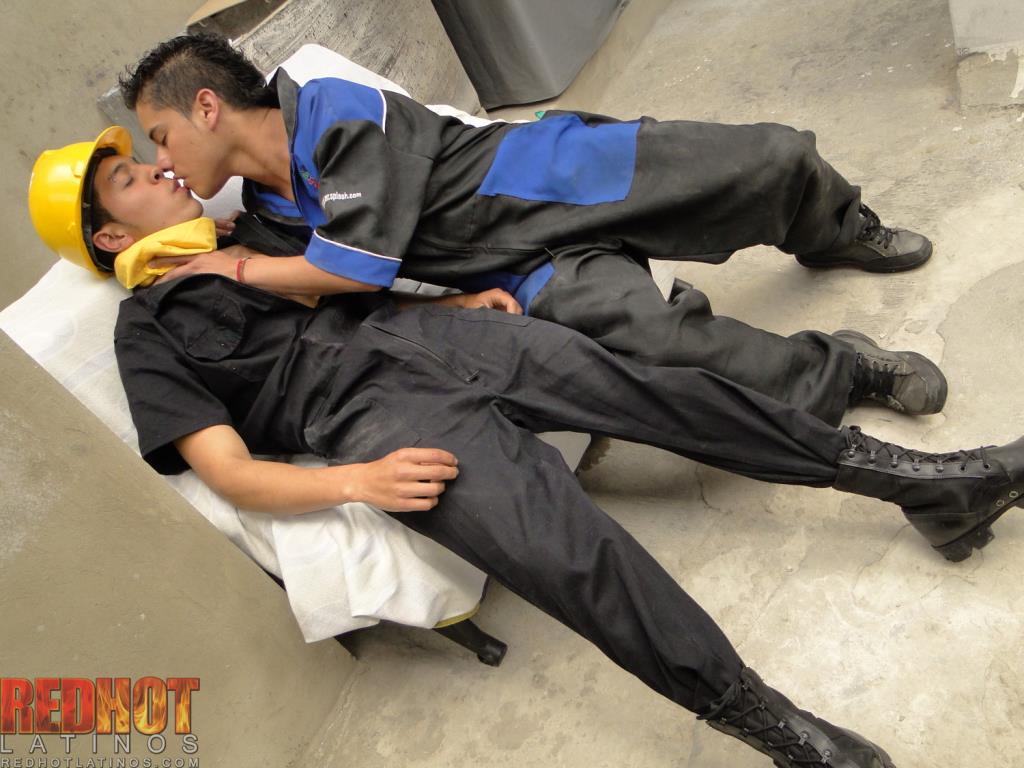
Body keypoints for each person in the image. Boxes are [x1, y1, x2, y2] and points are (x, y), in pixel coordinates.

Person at [28, 128, 1024, 768]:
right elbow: (227, 471)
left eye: (148, 155)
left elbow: (359, 289)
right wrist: (360, 482)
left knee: (666, 396)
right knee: (570, 556)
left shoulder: (254, 239)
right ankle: (774, 727)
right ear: (110, 240)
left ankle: (922, 483)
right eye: (132, 178)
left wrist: (456, 304)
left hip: (453, 343)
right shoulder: (147, 331)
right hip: (379, 427)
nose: (161, 170)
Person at [116, 33, 947, 430]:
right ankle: (846, 370)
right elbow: (345, 304)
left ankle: (838, 230)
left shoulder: (331, 112)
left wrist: (234, 269)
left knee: (766, 158)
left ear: (207, 106)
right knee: (661, 344)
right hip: (522, 269)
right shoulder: (266, 219)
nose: (166, 161)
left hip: (547, 174)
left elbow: (355, 268)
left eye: (160, 138)